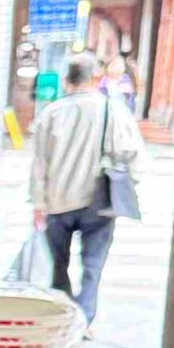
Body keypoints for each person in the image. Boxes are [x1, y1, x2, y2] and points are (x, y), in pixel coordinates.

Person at [29, 48, 143, 329]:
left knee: (58, 265)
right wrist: (126, 186)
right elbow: (133, 154)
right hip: (99, 202)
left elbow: (39, 163)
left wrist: (39, 203)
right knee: (93, 266)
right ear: (96, 77)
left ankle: (64, 317)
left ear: (67, 80)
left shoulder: (51, 113)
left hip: (58, 202)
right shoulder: (112, 110)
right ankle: (84, 319)